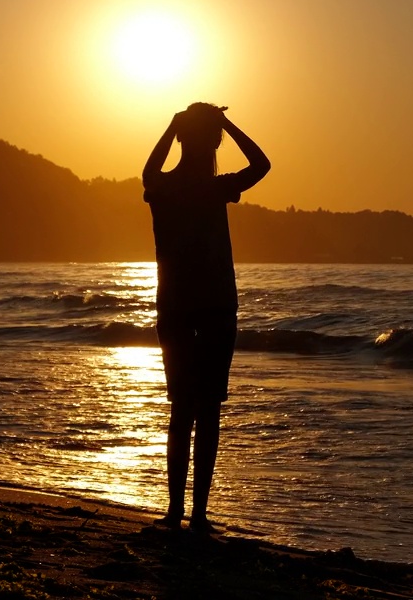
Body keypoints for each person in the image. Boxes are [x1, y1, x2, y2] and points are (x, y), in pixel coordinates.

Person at [142, 102, 270, 531]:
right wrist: (227, 123)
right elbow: (262, 163)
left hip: (179, 307)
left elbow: (149, 169)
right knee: (207, 410)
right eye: (213, 135)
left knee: (183, 409)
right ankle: (195, 514)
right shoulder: (213, 188)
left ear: (180, 136)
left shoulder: (163, 186)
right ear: (213, 138)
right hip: (213, 306)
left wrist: (172, 125)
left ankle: (178, 511)